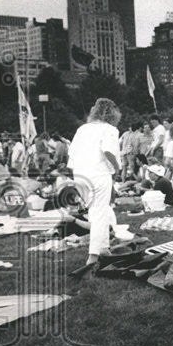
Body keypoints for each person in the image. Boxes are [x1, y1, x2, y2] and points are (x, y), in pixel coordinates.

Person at [68, 98, 121, 269]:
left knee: (98, 211)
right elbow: (108, 151)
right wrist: (117, 168)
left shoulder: (82, 129)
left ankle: (104, 248)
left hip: (80, 174)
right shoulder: (110, 129)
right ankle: (93, 256)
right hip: (98, 173)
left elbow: (72, 154)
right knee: (99, 213)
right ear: (112, 113)